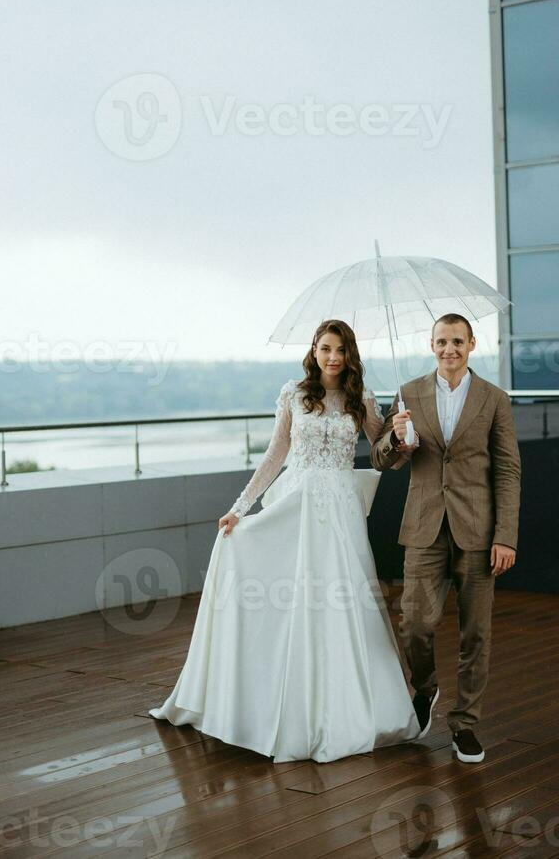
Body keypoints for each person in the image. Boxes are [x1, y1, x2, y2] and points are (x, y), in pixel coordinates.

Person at [149, 319, 422, 762]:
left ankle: (351, 710)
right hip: (297, 503)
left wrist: (402, 435)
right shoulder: (294, 394)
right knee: (295, 601)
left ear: (350, 356)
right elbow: (276, 454)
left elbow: (381, 452)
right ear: (314, 350)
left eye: (341, 350)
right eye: (326, 348)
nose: (333, 357)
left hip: (340, 512)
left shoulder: (361, 399)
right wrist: (240, 508)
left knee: (342, 601)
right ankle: (279, 703)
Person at [371, 313, 521, 765]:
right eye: (441, 341)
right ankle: (425, 688)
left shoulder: (494, 399)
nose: (448, 349)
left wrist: (506, 536)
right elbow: (381, 461)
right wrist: (397, 442)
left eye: (457, 341)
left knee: (475, 632)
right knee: (415, 622)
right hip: (424, 527)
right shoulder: (408, 393)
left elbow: (508, 470)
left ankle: (465, 725)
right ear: (430, 344)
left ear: (472, 344)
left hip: (479, 531)